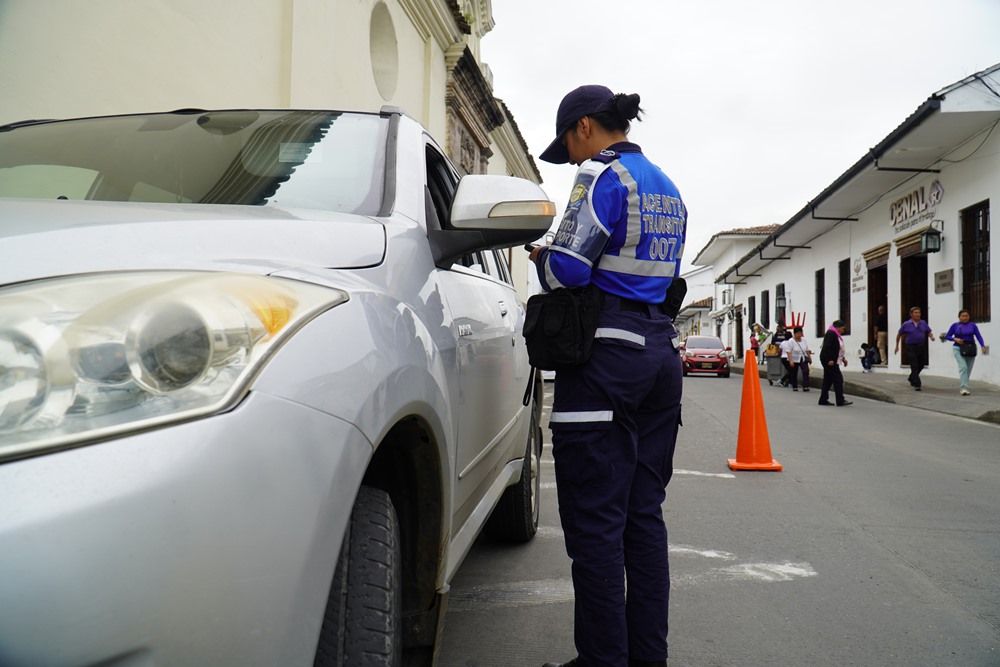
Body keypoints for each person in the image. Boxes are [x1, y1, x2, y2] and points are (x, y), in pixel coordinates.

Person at [529, 85, 685, 667]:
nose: (569, 155)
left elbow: (570, 269)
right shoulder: (666, 184)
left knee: (595, 523)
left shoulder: (601, 175)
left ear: (586, 127)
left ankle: (601, 661)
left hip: (604, 359)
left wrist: (544, 255)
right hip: (659, 357)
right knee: (643, 517)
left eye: (568, 142)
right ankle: (646, 658)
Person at [942, 309, 988, 395]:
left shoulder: (973, 325)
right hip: (958, 348)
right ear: (959, 317)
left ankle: (965, 385)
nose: (965, 317)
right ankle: (963, 388)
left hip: (970, 348)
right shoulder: (955, 326)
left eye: (967, 316)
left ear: (969, 317)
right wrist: (954, 339)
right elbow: (947, 336)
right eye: (963, 316)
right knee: (963, 367)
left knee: (968, 369)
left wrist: (982, 345)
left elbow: (978, 336)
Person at [894, 306, 935, 391]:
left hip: (921, 346)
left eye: (919, 312)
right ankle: (917, 384)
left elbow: (928, 331)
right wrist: (897, 346)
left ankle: (912, 377)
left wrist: (931, 336)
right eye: (915, 313)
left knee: (922, 363)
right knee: (914, 364)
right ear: (911, 314)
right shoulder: (906, 324)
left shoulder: (923, 323)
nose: (918, 314)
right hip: (910, 347)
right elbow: (899, 335)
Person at [818, 319, 852, 406]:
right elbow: (827, 347)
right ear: (838, 328)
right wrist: (829, 359)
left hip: (833, 360)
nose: (843, 330)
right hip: (829, 360)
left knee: (828, 380)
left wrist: (843, 359)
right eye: (843, 328)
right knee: (838, 379)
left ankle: (823, 399)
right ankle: (840, 400)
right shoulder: (831, 333)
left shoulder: (835, 334)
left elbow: (838, 349)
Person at [780, 326, 812, 391]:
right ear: (795, 333)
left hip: (802, 357)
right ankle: (795, 386)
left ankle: (806, 386)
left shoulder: (804, 340)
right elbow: (788, 351)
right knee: (794, 372)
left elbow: (806, 349)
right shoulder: (791, 341)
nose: (800, 335)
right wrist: (791, 360)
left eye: (801, 333)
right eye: (798, 333)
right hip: (794, 358)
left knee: (806, 370)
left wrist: (809, 358)